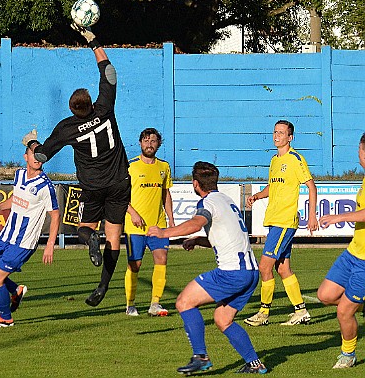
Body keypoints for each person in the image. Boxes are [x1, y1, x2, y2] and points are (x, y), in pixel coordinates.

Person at [22, 24, 131, 308]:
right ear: (91, 104)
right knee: (115, 237)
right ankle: (103, 286)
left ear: (73, 110)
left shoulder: (68, 128)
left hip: (93, 187)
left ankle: (89, 238)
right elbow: (109, 73)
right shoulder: (104, 109)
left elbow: (41, 157)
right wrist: (93, 41)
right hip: (120, 182)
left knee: (83, 227)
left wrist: (32, 143)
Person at [147, 161, 267, 375]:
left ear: (195, 184)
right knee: (223, 319)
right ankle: (255, 364)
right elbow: (227, 237)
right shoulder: (226, 200)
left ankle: (200, 357)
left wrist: (164, 233)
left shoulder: (207, 203)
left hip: (231, 273)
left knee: (184, 302)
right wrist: (198, 241)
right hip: (251, 273)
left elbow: (196, 222)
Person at [244, 120, 318, 327]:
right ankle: (301, 311)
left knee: (264, 266)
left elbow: (312, 187)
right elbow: (273, 186)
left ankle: (263, 313)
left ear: (290, 137)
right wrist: (258, 195)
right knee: (283, 269)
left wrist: (311, 216)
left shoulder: (295, 159)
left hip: (285, 221)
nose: (276, 136)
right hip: (275, 220)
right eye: (275, 132)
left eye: (281, 133)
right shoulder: (274, 160)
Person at [0, 147, 60, 327]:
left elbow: (55, 214)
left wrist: (50, 244)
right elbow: (16, 198)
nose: (37, 158)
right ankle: (16, 290)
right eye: (34, 154)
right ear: (25, 157)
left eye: (40, 155)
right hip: (6, 236)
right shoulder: (19, 174)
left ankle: (6, 318)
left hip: (24, 242)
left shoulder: (45, 186)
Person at [317, 133, 365, 369]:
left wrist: (339, 217)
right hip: (353, 253)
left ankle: (349, 354)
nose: (358, 153)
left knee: (345, 311)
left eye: (360, 149)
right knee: (325, 295)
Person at [124, 128, 175, 317]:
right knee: (134, 264)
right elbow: (121, 195)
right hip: (134, 225)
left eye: (153, 141)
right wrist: (133, 213)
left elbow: (165, 193)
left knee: (161, 259)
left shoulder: (164, 167)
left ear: (158, 144)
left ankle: (155, 303)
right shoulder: (130, 166)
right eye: (146, 140)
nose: (149, 144)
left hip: (158, 225)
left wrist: (170, 218)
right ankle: (130, 304)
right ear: (140, 143)